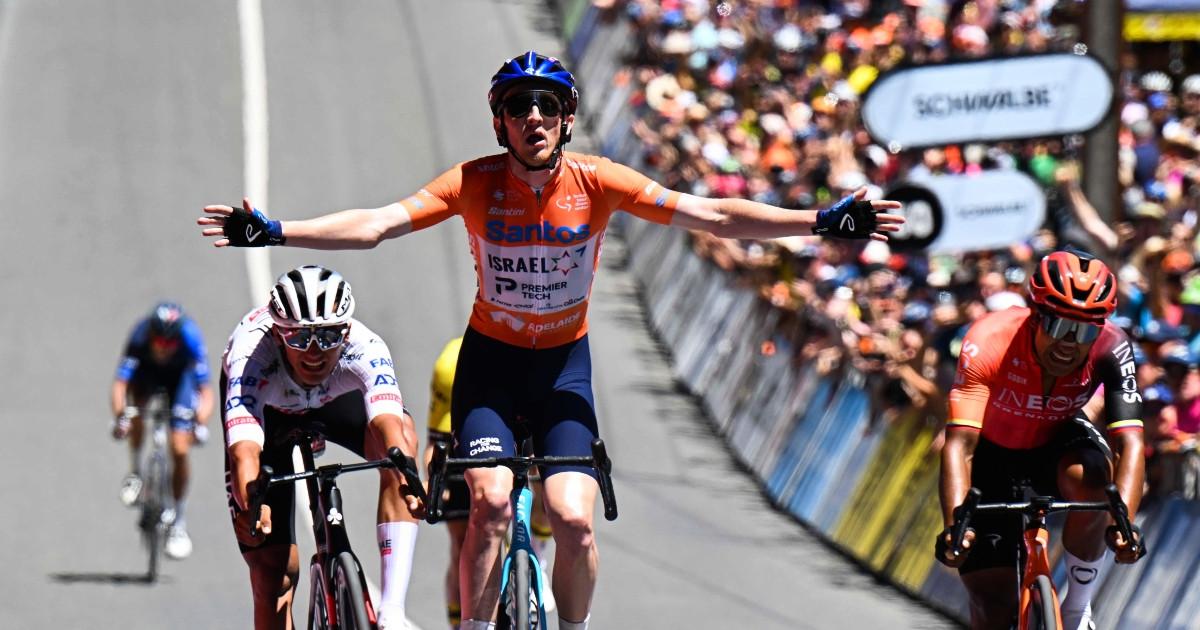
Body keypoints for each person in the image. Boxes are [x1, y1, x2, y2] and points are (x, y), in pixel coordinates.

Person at [199, 51, 903, 630]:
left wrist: (820, 221)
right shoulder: (474, 183)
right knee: (493, 504)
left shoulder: (599, 183)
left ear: (566, 120)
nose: (531, 117)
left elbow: (714, 214)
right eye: (516, 107)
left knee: (573, 521)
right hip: (492, 366)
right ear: (500, 121)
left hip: (564, 366)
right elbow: (379, 225)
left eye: (545, 106)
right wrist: (275, 230)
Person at [937, 249, 1146, 630]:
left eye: (1084, 330)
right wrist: (956, 524)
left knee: (1094, 478)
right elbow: (960, 446)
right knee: (993, 607)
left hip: (1057, 443)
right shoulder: (989, 339)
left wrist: (1125, 525)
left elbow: (1129, 444)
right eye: (1060, 326)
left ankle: (1078, 607)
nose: (1070, 342)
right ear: (1035, 315)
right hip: (989, 460)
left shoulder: (1113, 348)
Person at [221, 265, 423, 630]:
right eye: (298, 338)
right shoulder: (251, 354)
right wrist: (252, 505)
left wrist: (405, 469)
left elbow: (389, 424)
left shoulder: (367, 345)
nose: (314, 352)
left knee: (402, 447)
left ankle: (392, 613)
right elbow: (245, 451)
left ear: (345, 330)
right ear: (279, 333)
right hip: (270, 416)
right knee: (275, 574)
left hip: (333, 400)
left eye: (328, 336)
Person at [425, 337, 556, 630]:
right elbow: (435, 442)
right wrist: (433, 482)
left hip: (524, 423)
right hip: (469, 433)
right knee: (462, 540)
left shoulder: (534, 353)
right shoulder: (451, 363)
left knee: (544, 488)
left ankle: (537, 552)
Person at [111, 301, 214, 560]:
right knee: (135, 413)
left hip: (179, 381)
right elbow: (121, 385)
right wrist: (121, 417)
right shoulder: (139, 336)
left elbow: (206, 391)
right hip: (147, 375)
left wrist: (200, 421)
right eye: (158, 341)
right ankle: (135, 472)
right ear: (150, 335)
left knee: (179, 448)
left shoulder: (190, 337)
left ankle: (178, 521)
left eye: (170, 344)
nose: (163, 348)